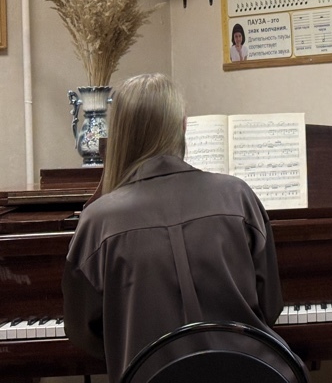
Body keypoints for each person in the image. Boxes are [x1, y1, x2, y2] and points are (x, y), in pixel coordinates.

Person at [62, 73, 301, 382]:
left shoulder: (98, 221)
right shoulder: (237, 196)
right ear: (183, 126)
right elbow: (269, 307)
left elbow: (85, 333)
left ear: (117, 134)